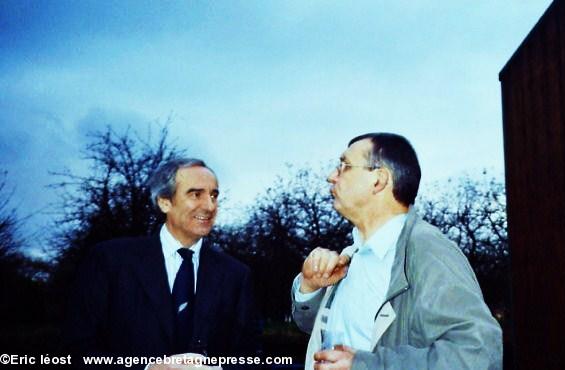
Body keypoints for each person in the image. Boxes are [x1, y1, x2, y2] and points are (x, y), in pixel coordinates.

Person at [291, 133, 502, 369]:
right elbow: (316, 329)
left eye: (344, 166)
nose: (331, 176)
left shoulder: (427, 250)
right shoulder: (353, 255)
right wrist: (310, 288)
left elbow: (478, 354)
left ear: (379, 180)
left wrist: (365, 366)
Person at [64, 158, 259, 369]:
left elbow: (252, 358)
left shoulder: (236, 274)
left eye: (213, 195)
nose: (210, 206)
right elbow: (77, 350)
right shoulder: (110, 260)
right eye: (196, 194)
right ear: (164, 201)